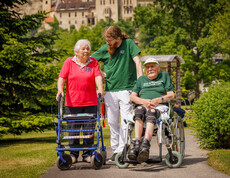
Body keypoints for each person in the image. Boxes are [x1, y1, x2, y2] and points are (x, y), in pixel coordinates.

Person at [91, 26, 143, 161]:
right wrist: (101, 73)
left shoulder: (129, 43)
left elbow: (137, 61)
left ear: (118, 38)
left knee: (126, 120)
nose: (107, 43)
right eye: (106, 40)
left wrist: (141, 80)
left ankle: (123, 148)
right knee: (112, 122)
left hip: (127, 88)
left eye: (110, 40)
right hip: (110, 90)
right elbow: (90, 61)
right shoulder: (105, 48)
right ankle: (115, 150)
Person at [56, 39, 103, 163]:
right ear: (76, 51)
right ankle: (73, 155)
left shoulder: (94, 62)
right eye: (83, 49)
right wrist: (60, 90)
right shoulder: (69, 62)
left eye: (88, 48)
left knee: (89, 131)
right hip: (72, 103)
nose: (86, 51)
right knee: (73, 131)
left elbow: (98, 76)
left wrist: (100, 89)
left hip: (90, 102)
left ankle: (87, 155)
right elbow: (62, 77)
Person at [128, 57, 175, 163]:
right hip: (144, 105)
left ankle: (145, 144)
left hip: (159, 106)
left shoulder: (164, 76)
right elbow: (132, 97)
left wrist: (158, 100)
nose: (150, 69)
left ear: (158, 68)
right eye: (147, 67)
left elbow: (171, 95)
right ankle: (136, 145)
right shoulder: (141, 80)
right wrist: (143, 101)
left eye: (152, 66)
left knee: (151, 113)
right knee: (138, 111)